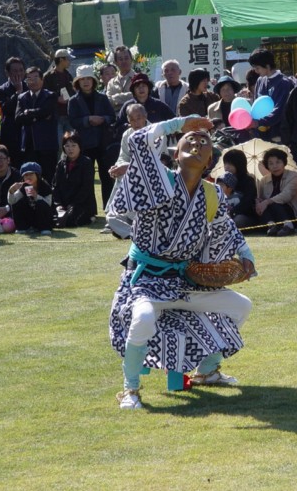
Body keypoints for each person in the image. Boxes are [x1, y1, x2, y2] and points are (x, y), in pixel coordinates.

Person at [108, 115, 256, 410]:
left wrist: (247, 257)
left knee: (240, 306)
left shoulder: (212, 194)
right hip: (146, 281)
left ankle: (206, 371)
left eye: (205, 143)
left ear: (210, 160)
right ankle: (130, 390)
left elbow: (227, 229)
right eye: (191, 139)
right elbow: (139, 140)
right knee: (144, 319)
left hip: (183, 280)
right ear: (175, 153)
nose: (198, 144)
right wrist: (181, 122)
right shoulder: (160, 181)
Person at [68, 64, 116, 209]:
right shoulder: (73, 101)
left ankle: (109, 208)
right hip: (84, 143)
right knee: (86, 178)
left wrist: (103, 119)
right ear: (78, 82)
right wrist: (87, 120)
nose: (86, 82)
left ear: (94, 81)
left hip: (102, 142)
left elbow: (112, 117)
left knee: (107, 177)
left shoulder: (102, 97)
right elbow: (73, 120)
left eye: (89, 78)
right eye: (83, 79)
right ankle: (88, 209)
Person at [14, 66, 59, 184]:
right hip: (28, 144)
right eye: (29, 79)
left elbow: (46, 111)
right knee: (29, 179)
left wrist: (28, 113)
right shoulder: (22, 97)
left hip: (47, 144)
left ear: (42, 80)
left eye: (35, 78)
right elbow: (18, 118)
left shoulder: (50, 95)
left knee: (49, 177)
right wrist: (38, 116)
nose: (32, 81)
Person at [255, 147, 297, 237]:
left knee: (273, 202)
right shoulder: (264, 180)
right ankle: (271, 226)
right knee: (259, 205)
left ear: (284, 163)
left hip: (292, 213)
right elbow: (261, 198)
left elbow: (287, 195)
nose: (275, 166)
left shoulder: (294, 176)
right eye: (271, 164)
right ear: (267, 166)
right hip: (273, 215)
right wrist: (258, 202)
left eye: (278, 162)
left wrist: (267, 201)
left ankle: (288, 226)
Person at [248, 48, 295, 142]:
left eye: (258, 68)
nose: (256, 71)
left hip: (278, 136)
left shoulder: (283, 83)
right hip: (261, 135)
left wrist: (258, 122)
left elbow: (279, 111)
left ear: (268, 66)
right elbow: (256, 105)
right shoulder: (260, 80)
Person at [52, 131, 97, 228]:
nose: (70, 149)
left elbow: (86, 188)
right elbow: (55, 186)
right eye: (67, 146)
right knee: (50, 218)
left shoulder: (86, 162)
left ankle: (90, 217)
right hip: (63, 204)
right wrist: (58, 205)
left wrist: (73, 204)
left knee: (69, 221)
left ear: (79, 147)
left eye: (73, 145)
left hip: (81, 203)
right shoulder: (61, 164)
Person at [0, 57, 28, 162]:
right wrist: (18, 93)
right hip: (11, 133)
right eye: (15, 71)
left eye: (21, 70)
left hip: (27, 133)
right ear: (7, 73)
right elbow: (4, 109)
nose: (18, 73)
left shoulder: (29, 87)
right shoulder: (1, 90)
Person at [7, 162, 53, 235]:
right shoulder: (23, 187)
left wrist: (36, 196)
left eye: (31, 174)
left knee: (41, 203)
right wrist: (11, 191)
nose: (28, 177)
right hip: (29, 217)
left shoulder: (45, 187)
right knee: (18, 202)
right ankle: (22, 227)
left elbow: (48, 204)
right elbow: (12, 201)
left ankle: (45, 228)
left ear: (37, 175)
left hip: (43, 218)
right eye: (25, 175)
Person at [43, 48, 75, 143]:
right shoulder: (48, 76)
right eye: (68, 59)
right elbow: (44, 94)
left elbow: (72, 92)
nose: (70, 62)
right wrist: (56, 98)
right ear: (61, 60)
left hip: (68, 115)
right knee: (59, 144)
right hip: (55, 116)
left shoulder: (68, 76)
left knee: (71, 142)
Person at [221, 148, 258, 229]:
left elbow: (247, 202)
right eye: (225, 163)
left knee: (238, 220)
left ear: (239, 164)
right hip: (225, 213)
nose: (226, 167)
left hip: (245, 215)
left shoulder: (248, 181)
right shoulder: (222, 180)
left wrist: (232, 212)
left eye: (230, 164)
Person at [106, 45, 137, 114]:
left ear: (131, 59)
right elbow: (108, 101)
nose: (124, 61)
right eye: (120, 59)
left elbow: (138, 96)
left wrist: (116, 98)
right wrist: (129, 95)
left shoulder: (139, 78)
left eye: (126, 58)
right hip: (117, 120)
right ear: (115, 62)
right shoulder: (111, 83)